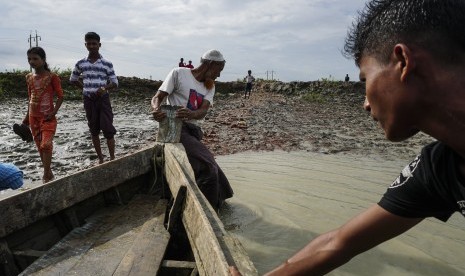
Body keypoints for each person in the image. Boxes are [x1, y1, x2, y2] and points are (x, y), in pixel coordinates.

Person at [263, 0, 465, 275]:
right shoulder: (440, 170)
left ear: (403, 62)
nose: (365, 104)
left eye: (364, 79)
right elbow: (338, 243)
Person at [151, 49, 234, 210]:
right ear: (210, 64)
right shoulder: (179, 74)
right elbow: (157, 97)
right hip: (175, 129)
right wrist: (156, 109)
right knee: (209, 168)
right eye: (219, 70)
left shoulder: (210, 86)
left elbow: (203, 111)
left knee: (215, 168)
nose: (219, 75)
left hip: (193, 131)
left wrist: (192, 113)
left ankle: (222, 203)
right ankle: (209, 212)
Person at [70, 32, 118, 164]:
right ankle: (101, 159)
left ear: (99, 45)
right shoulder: (81, 63)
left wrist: (105, 88)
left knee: (108, 127)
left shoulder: (107, 63)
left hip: (103, 99)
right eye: (89, 43)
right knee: (94, 128)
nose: (92, 46)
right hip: (89, 100)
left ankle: (113, 158)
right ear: (85, 45)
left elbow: (115, 83)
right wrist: (84, 88)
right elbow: (73, 79)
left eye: (94, 43)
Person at [23, 46, 64, 183]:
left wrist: (53, 113)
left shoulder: (52, 77)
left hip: (48, 117)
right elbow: (30, 98)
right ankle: (49, 175)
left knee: (46, 145)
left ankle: (46, 175)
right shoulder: (29, 77)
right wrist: (26, 118)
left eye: (35, 58)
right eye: (29, 59)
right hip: (33, 117)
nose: (32, 61)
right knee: (40, 147)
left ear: (43, 59)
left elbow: (60, 96)